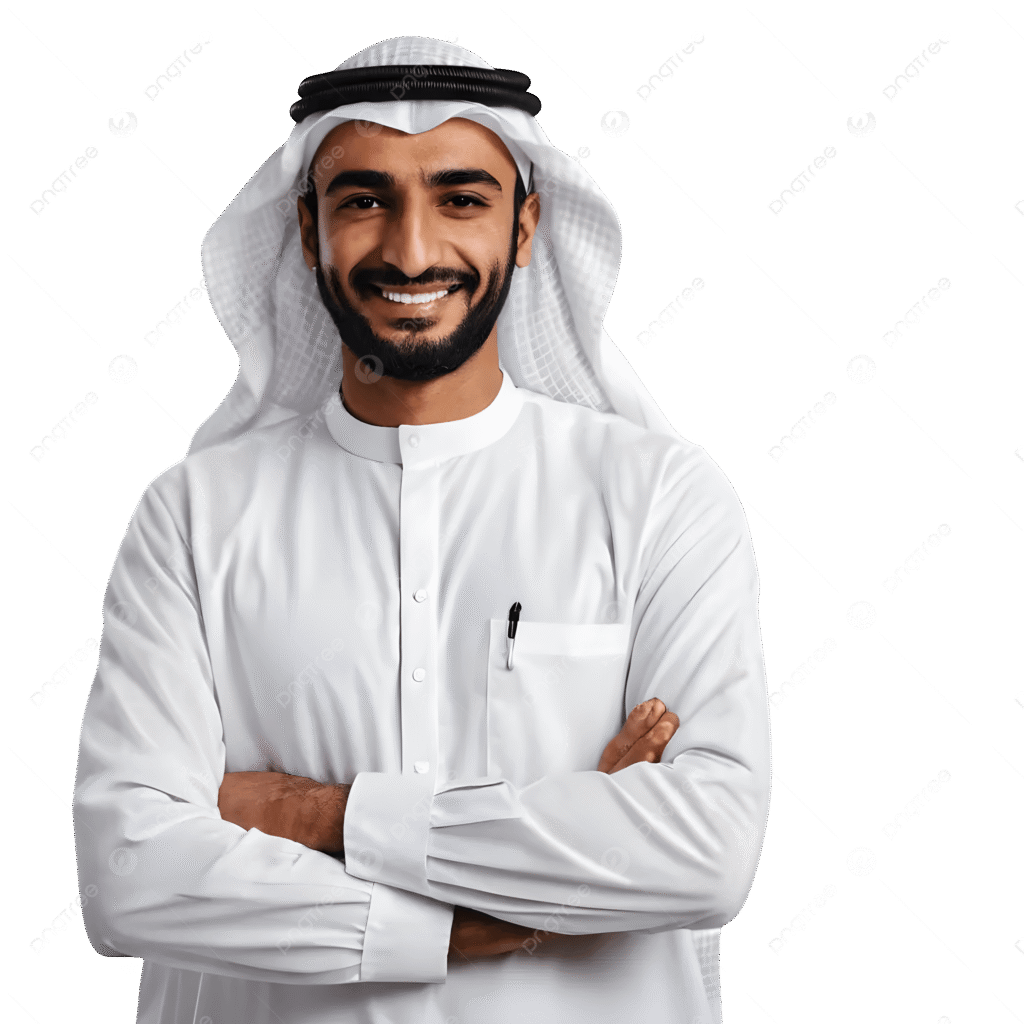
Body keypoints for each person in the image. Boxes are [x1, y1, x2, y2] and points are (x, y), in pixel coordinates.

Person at [72, 34, 772, 1024]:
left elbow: (707, 852)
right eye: (364, 200)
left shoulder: (658, 497)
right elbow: (130, 875)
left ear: (525, 225)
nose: (411, 251)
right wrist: (482, 908)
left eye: (461, 200)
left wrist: (316, 814)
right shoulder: (193, 517)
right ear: (308, 229)